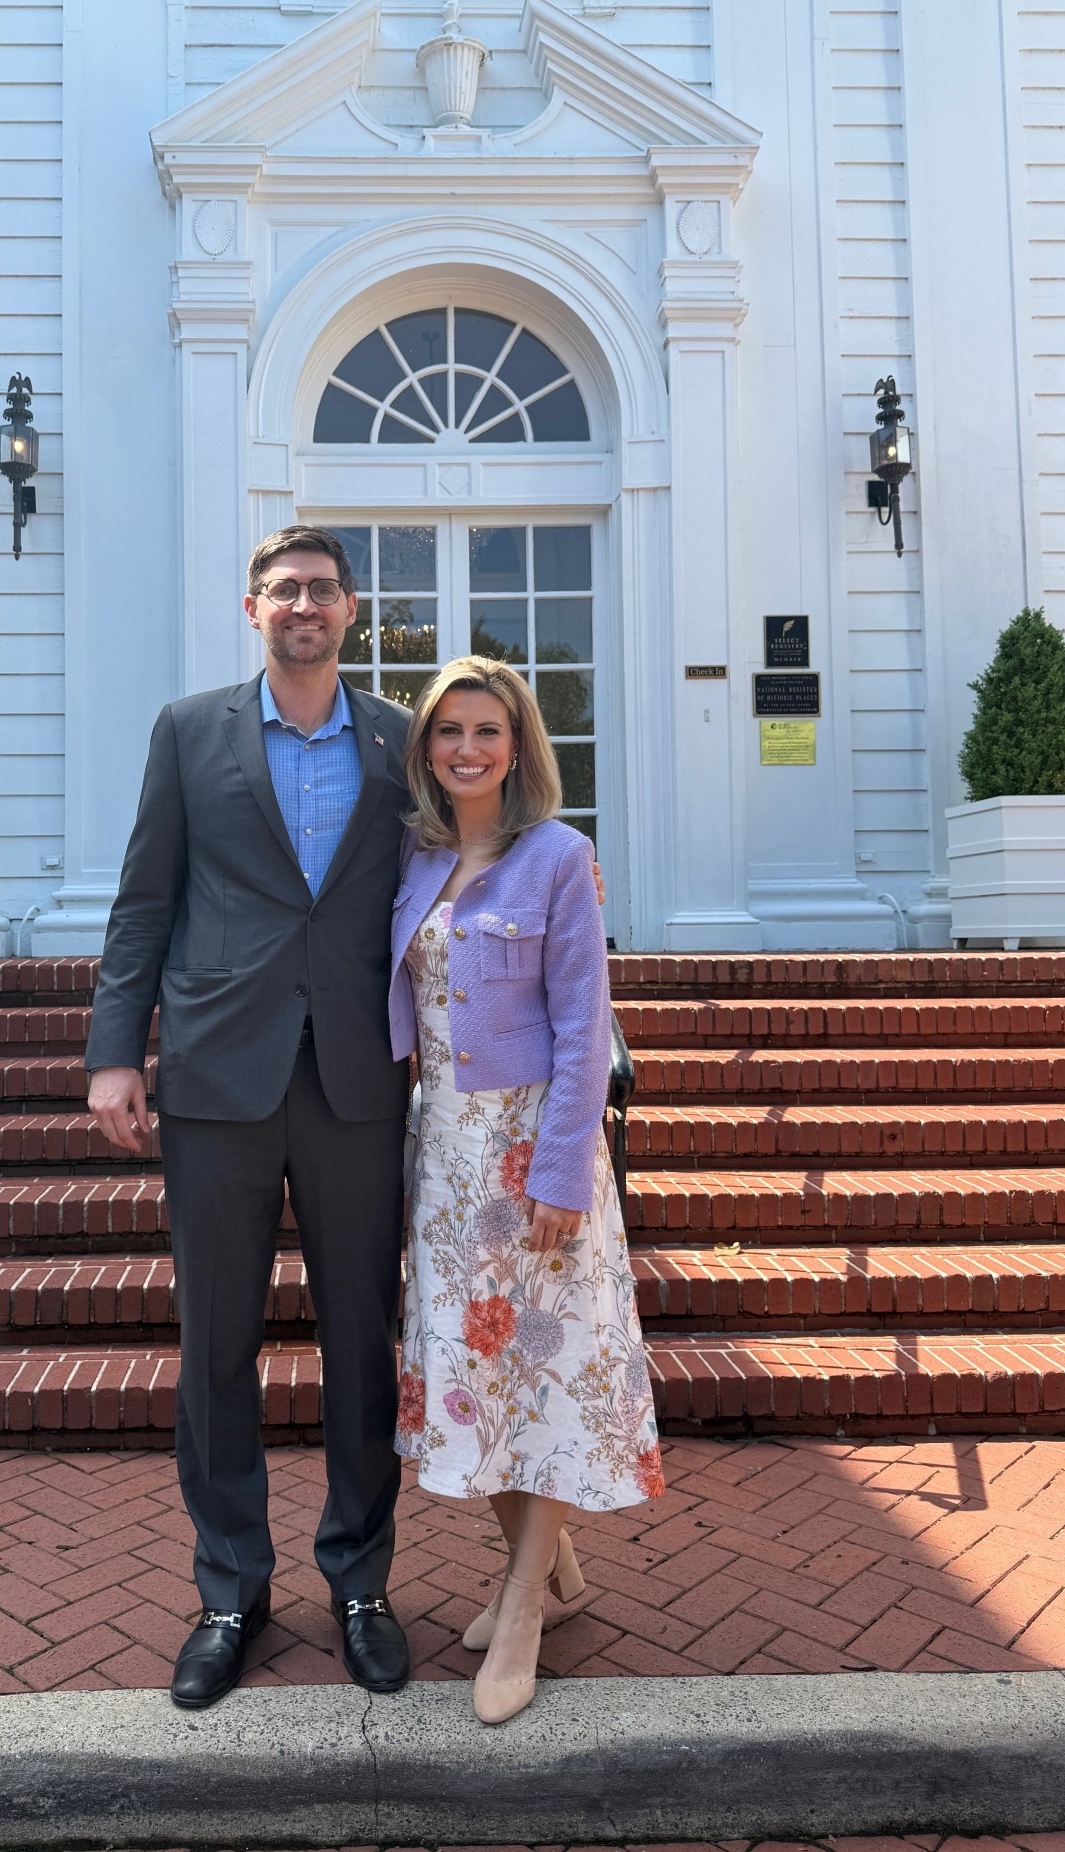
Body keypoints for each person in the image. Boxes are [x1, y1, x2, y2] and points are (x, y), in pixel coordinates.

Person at [85, 525, 414, 1709]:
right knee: (216, 1343)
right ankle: (230, 1588)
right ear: (253, 606)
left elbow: (442, 872)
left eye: (323, 589)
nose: (305, 606)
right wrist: (115, 1053)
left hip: (358, 1083)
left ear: (352, 606)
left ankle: (362, 1583)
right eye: (285, 590)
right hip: (220, 1077)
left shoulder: (398, 738)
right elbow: (144, 901)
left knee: (361, 1343)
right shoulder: (189, 732)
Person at [389, 654, 665, 1727]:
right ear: (427, 749)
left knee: (541, 1365)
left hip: (532, 1154)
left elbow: (581, 1025)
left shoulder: (558, 856)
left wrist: (560, 1168)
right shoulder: (413, 864)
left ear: (518, 747)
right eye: (447, 731)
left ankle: (520, 1607)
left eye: (486, 732)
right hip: (445, 1156)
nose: (466, 748)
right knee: (470, 1366)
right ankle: (555, 1567)